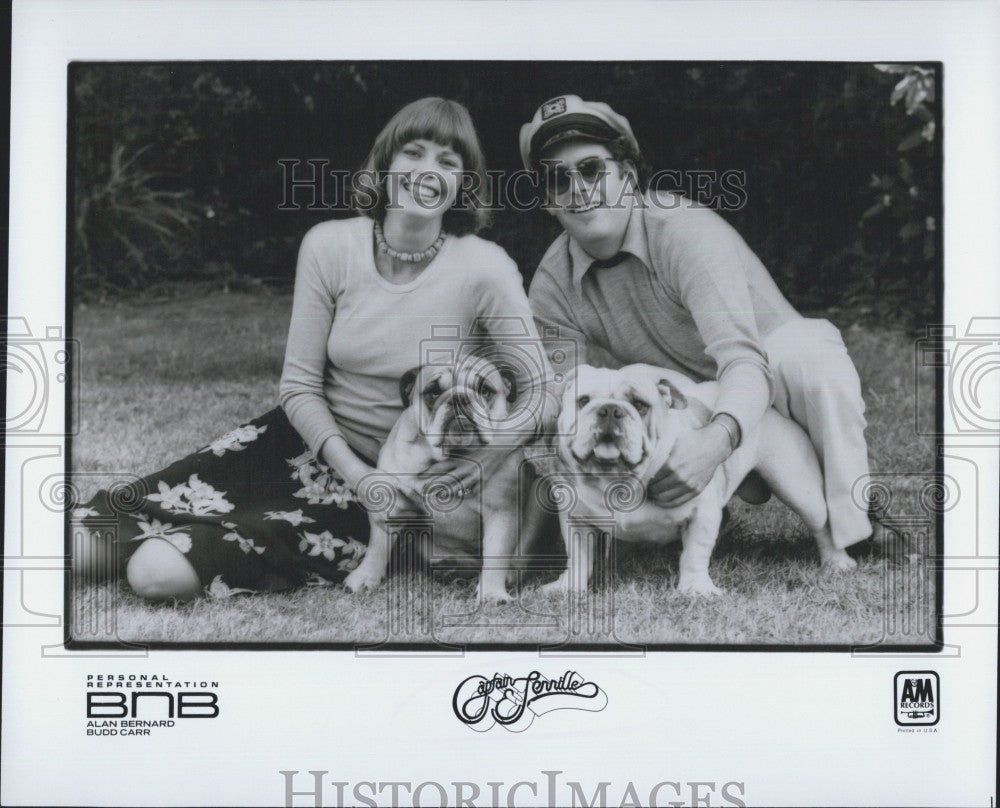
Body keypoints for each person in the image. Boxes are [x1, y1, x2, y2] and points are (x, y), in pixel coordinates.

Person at [72, 97, 552, 601]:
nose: (427, 170)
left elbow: (542, 391)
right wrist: (356, 474)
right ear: (384, 163)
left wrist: (484, 451)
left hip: (396, 486)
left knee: (154, 574)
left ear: (463, 184)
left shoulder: (485, 268)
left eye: (448, 162)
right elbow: (298, 387)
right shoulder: (328, 246)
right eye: (413, 152)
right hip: (301, 443)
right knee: (83, 541)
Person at [521, 94, 873, 551]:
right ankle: (692, 516)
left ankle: (854, 528)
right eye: (556, 179)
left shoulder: (684, 231)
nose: (578, 189)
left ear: (627, 176)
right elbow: (556, 396)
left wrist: (713, 445)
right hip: (686, 404)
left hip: (769, 384)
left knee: (807, 354)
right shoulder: (552, 282)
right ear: (548, 201)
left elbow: (744, 361)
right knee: (630, 394)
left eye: (591, 170)